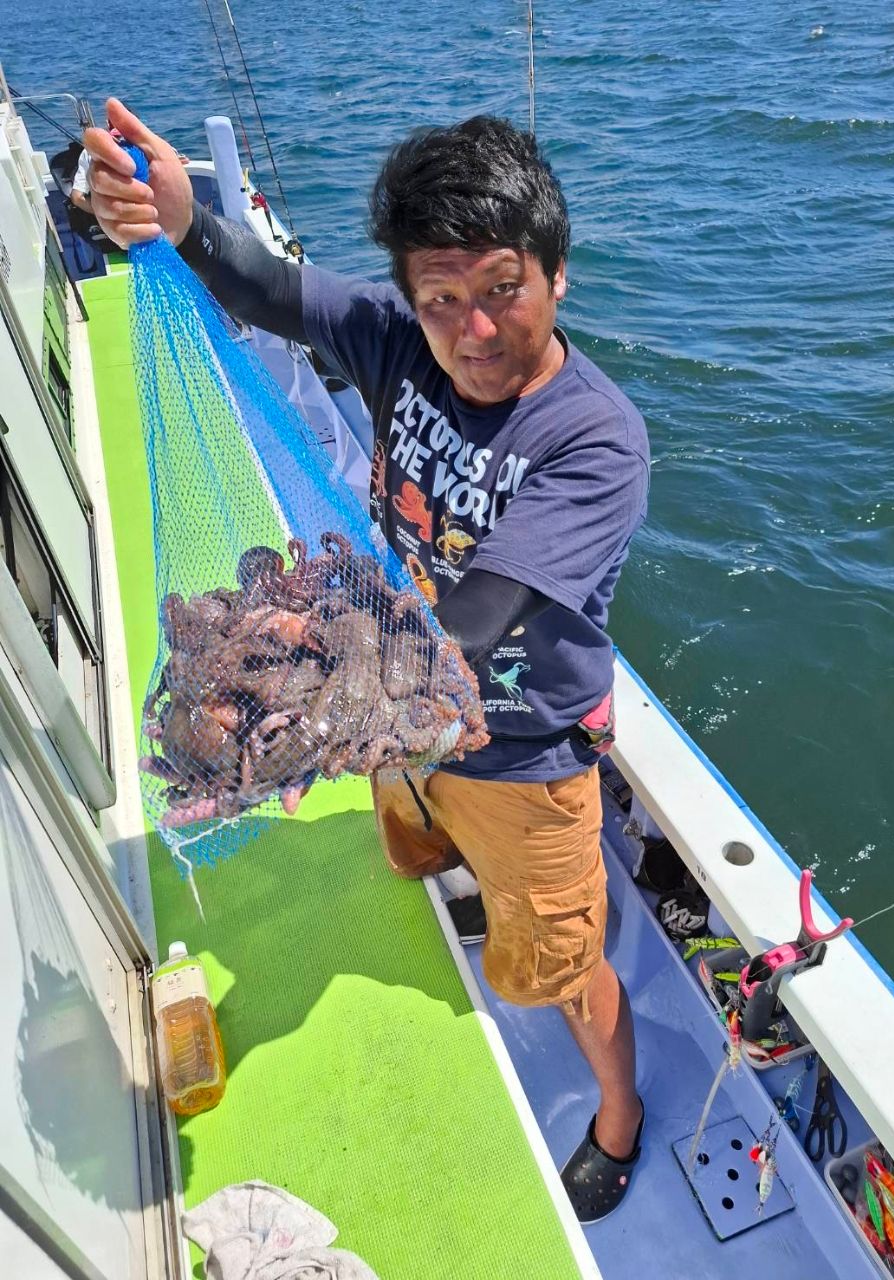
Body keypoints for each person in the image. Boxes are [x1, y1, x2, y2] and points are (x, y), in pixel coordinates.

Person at [85, 98, 650, 1224]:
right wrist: (186, 220)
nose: (473, 329)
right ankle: (440, 855)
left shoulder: (593, 437)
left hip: (523, 753)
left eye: (503, 289)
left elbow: (481, 613)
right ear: (411, 293)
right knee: (408, 843)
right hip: (405, 732)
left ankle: (620, 1111)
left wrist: (301, 689)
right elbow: (270, 292)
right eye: (442, 299)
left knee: (556, 964)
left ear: (556, 274)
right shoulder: (397, 338)